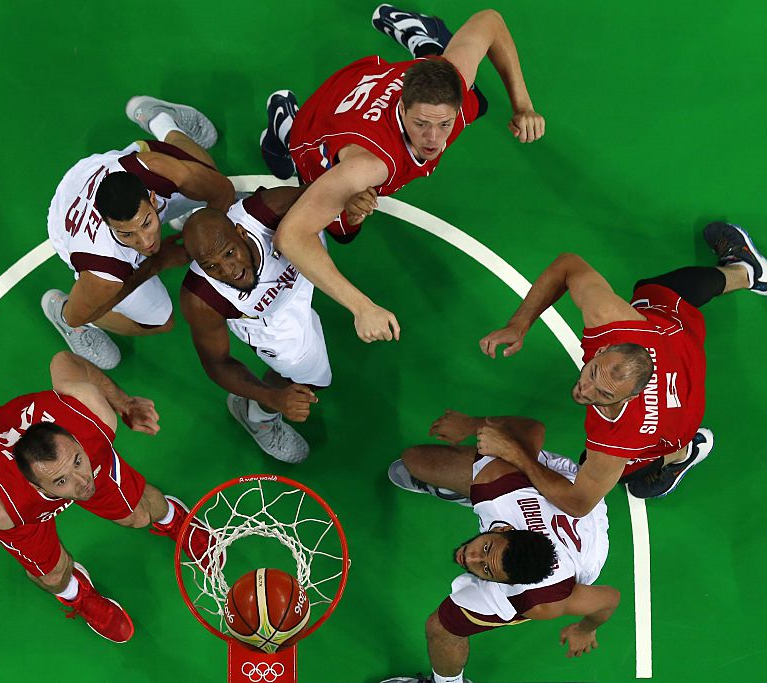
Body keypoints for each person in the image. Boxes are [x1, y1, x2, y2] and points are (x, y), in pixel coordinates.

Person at [260, 5, 545, 343]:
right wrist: (362, 307)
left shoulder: (451, 79)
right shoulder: (370, 166)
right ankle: (286, 125)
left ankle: (418, 36)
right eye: (421, 124)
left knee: (477, 101)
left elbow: (490, 21)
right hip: (327, 123)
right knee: (343, 230)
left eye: (444, 124)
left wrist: (523, 106)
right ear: (403, 108)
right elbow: (291, 236)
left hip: (374, 87)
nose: (434, 140)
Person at [477, 222, 767, 509]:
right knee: (652, 292)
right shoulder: (613, 322)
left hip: (679, 422)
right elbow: (568, 265)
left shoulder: (617, 438)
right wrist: (518, 325)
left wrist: (513, 452)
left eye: (604, 394)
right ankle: (745, 271)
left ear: (631, 397)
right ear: (606, 347)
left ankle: (685, 452)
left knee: (603, 468)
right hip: (680, 346)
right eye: (594, 373)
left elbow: (578, 502)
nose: (586, 389)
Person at [0, 351, 214, 643]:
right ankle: (76, 594)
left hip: (78, 450)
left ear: (75, 442)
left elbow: (64, 360)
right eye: (61, 480)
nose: (83, 482)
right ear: (39, 487)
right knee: (52, 574)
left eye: (76, 462)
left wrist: (124, 403)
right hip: (22, 508)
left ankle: (173, 518)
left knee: (139, 514)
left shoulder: (94, 419)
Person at [382, 412, 619, 683]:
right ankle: (468, 492)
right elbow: (533, 426)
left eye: (484, 569)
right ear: (504, 529)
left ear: (505, 583)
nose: (468, 557)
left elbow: (607, 599)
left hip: (581, 552)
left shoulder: (540, 600)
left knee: (441, 627)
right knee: (415, 460)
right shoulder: (498, 484)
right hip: (564, 488)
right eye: (485, 549)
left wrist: (585, 630)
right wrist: (473, 425)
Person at [43, 96, 235, 369]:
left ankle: (160, 119)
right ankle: (58, 311)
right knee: (160, 321)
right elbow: (81, 313)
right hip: (68, 219)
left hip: (99, 171)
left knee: (205, 171)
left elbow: (222, 190)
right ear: (110, 226)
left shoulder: (153, 169)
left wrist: (205, 229)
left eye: (146, 224)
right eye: (127, 234)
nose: (145, 242)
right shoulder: (105, 269)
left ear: (153, 199)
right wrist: (157, 263)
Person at [178, 186, 330, 464]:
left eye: (229, 253)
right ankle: (257, 416)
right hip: (270, 320)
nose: (228, 271)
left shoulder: (269, 209)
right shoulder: (202, 299)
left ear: (241, 232)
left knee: (319, 216)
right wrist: (273, 398)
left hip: (299, 262)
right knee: (309, 381)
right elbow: (217, 363)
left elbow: (330, 192)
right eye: (211, 266)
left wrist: (353, 207)